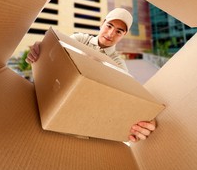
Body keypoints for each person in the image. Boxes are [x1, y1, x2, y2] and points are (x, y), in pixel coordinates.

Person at [26, 8, 157, 143]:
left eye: (119, 31)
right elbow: (56, 60)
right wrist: (41, 51)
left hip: (80, 116)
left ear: (124, 35)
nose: (111, 33)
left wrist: (145, 118)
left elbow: (127, 97)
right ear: (102, 23)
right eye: (109, 26)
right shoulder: (79, 39)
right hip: (51, 98)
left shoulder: (118, 64)